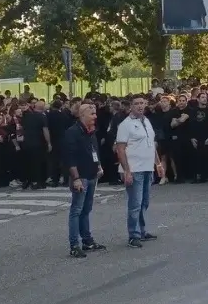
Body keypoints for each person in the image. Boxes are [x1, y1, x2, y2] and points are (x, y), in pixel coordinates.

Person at [115, 95, 163, 248]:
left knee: (144, 202)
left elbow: (151, 144)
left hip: (147, 167)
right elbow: (120, 149)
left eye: (142, 103)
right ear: (131, 106)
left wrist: (158, 163)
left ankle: (142, 231)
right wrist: (127, 170)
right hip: (134, 169)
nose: (140, 106)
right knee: (135, 204)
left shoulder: (146, 121)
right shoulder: (125, 125)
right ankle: (133, 235)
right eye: (136, 104)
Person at [64, 103, 107, 259]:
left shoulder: (91, 132)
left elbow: (94, 150)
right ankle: (74, 245)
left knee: (86, 209)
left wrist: (99, 166)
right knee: (76, 210)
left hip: (91, 174)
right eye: (92, 114)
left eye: (95, 113)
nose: (95, 116)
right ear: (82, 115)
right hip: (80, 176)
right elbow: (69, 157)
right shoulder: (73, 132)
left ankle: (87, 240)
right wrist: (75, 178)